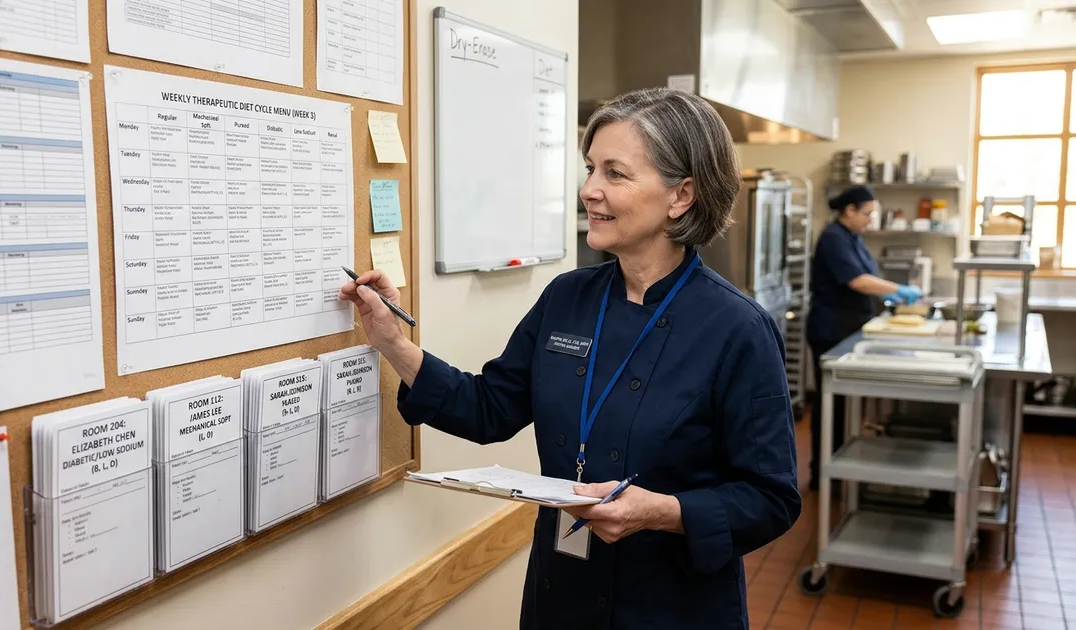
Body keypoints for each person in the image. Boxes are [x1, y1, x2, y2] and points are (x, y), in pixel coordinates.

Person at [340, 88, 800, 630]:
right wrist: (394, 342)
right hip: (560, 598)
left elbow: (770, 498)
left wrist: (662, 511)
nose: (589, 191)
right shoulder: (567, 298)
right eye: (589, 169)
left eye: (615, 174)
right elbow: (490, 409)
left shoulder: (738, 328)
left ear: (681, 195)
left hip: (671, 607)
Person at [805, 184, 922, 490]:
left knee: (844, 404)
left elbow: (867, 277)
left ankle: (840, 469)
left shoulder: (852, 238)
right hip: (831, 330)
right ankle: (823, 475)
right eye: (867, 213)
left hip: (851, 328)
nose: (871, 219)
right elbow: (858, 281)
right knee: (832, 405)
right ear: (849, 211)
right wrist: (898, 290)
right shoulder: (832, 239)